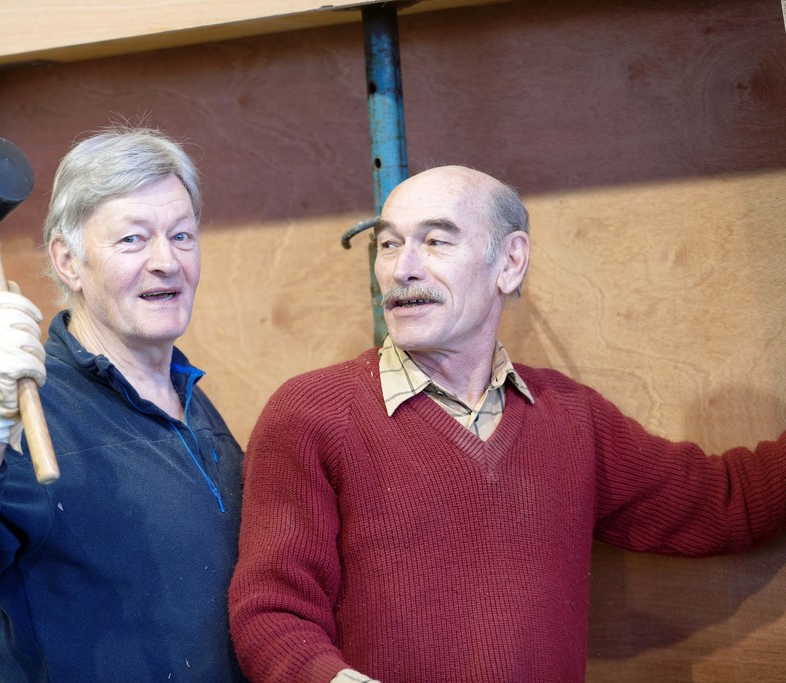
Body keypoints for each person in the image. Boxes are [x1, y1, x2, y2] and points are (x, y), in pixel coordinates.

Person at [227, 165, 786, 683]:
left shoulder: (573, 416)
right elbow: (272, 614)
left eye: (436, 241)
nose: (402, 268)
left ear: (510, 262)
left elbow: (727, 503)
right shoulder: (310, 413)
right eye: (389, 243)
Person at [0, 127, 246, 682]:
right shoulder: (25, 420)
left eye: (182, 235)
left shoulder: (192, 400)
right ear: (68, 261)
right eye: (133, 239)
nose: (166, 261)